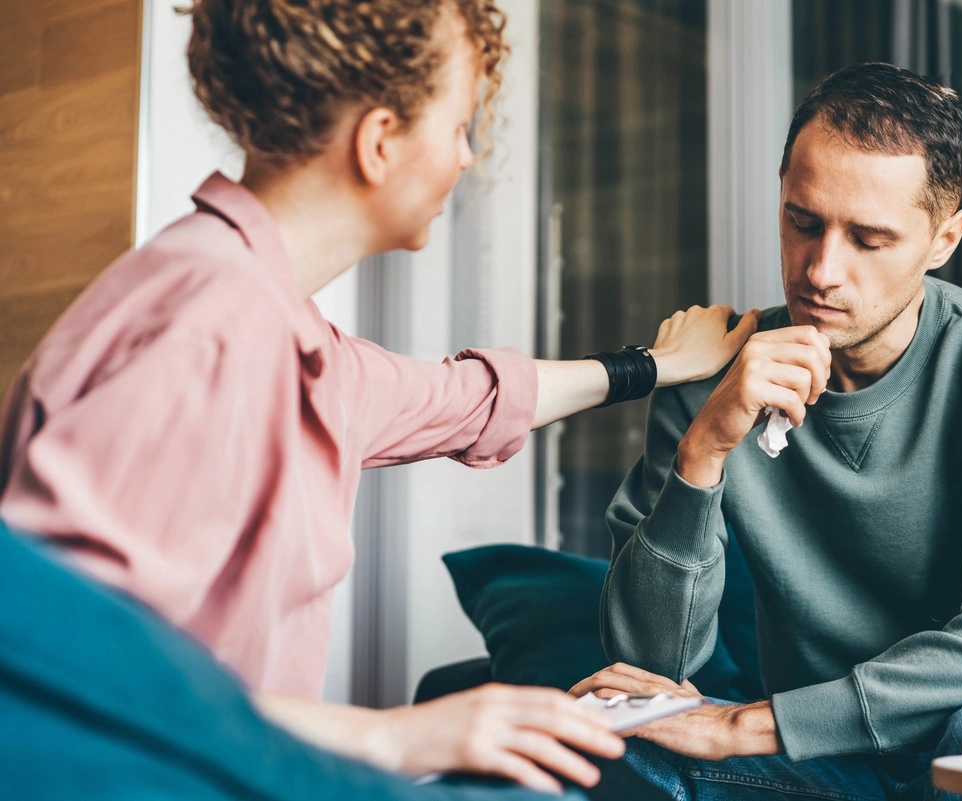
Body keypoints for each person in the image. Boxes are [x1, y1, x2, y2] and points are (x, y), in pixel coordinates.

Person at [0, 0, 758, 796]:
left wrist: (657, 364)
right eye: (461, 126)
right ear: (381, 140)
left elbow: (467, 398)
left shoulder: (275, 321)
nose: (468, 158)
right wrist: (393, 735)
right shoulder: (210, 330)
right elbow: (60, 682)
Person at [572, 62, 962, 800]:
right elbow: (651, 662)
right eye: (803, 221)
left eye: (869, 238)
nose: (822, 271)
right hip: (828, 766)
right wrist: (703, 448)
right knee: (610, 732)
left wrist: (745, 725)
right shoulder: (718, 371)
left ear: (944, 238)